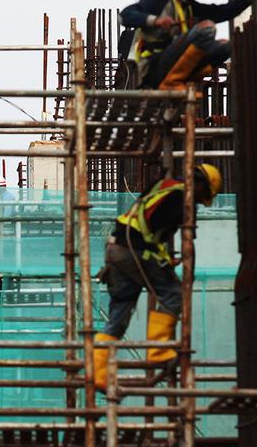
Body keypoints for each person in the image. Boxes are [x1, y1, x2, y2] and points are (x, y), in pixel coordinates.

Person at [94, 164, 222, 388]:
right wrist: (162, 262)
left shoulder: (164, 187)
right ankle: (159, 351)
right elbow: (151, 230)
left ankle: (97, 372)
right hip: (133, 251)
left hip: (117, 250)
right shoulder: (179, 198)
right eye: (204, 197)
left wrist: (163, 259)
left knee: (120, 312)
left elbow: (150, 230)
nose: (200, 203)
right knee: (174, 293)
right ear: (200, 185)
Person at [120, 0, 257, 90]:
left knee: (226, 46)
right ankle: (170, 82)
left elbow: (223, 12)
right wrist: (155, 21)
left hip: (173, 67)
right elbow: (125, 15)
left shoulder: (189, 7)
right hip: (154, 68)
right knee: (207, 29)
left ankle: (178, 80)